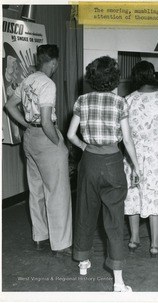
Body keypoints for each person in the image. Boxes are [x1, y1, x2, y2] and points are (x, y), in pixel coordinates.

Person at [67, 56, 139, 292]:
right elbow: (127, 140)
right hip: (113, 163)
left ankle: (83, 261)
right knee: (115, 220)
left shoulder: (82, 100)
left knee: (85, 212)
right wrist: (137, 167)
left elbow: (70, 135)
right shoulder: (120, 103)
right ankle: (118, 281)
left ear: (92, 78)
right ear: (114, 79)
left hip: (89, 162)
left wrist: (84, 147)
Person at [4, 44, 73, 256]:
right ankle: (60, 243)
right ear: (53, 62)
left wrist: (25, 125)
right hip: (45, 138)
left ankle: (40, 236)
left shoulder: (28, 80)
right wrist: (59, 144)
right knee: (58, 192)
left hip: (30, 139)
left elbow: (9, 106)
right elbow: (46, 121)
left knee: (36, 190)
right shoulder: (48, 84)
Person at [124, 60, 158, 258]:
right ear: (153, 75)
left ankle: (133, 239)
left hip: (133, 153)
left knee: (134, 195)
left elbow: (124, 133)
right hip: (157, 154)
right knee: (155, 195)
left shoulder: (128, 100)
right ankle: (154, 245)